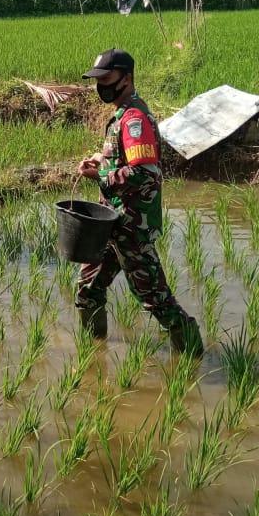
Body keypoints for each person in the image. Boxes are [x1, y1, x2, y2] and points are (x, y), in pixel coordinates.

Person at [75, 48, 203, 354]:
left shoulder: (135, 119)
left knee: (156, 301)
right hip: (110, 224)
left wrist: (102, 176)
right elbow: (122, 159)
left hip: (132, 227)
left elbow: (145, 172)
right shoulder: (121, 115)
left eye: (106, 78)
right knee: (88, 290)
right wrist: (101, 159)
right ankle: (94, 354)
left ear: (126, 78)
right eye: (98, 80)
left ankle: (193, 356)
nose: (100, 86)